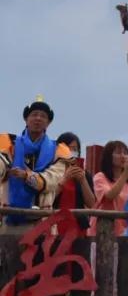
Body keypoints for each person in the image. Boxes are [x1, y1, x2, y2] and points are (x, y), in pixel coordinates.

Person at [0, 95, 73, 233]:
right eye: (34, 114)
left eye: (43, 116)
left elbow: (52, 180)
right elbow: (1, 163)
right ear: (26, 119)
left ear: (48, 122)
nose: (38, 118)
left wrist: (26, 176)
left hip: (42, 222)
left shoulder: (58, 150)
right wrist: (6, 171)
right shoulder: (9, 143)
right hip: (9, 219)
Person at [91, 140, 128, 236]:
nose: (123, 156)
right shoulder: (100, 177)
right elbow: (109, 196)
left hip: (124, 231)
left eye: (125, 153)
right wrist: (125, 174)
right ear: (108, 156)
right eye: (118, 153)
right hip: (104, 230)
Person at [54, 131, 95, 233]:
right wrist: (64, 179)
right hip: (54, 225)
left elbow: (91, 203)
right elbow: (48, 199)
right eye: (67, 148)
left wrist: (83, 180)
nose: (71, 151)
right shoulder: (52, 171)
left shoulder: (85, 174)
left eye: (75, 149)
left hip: (77, 226)